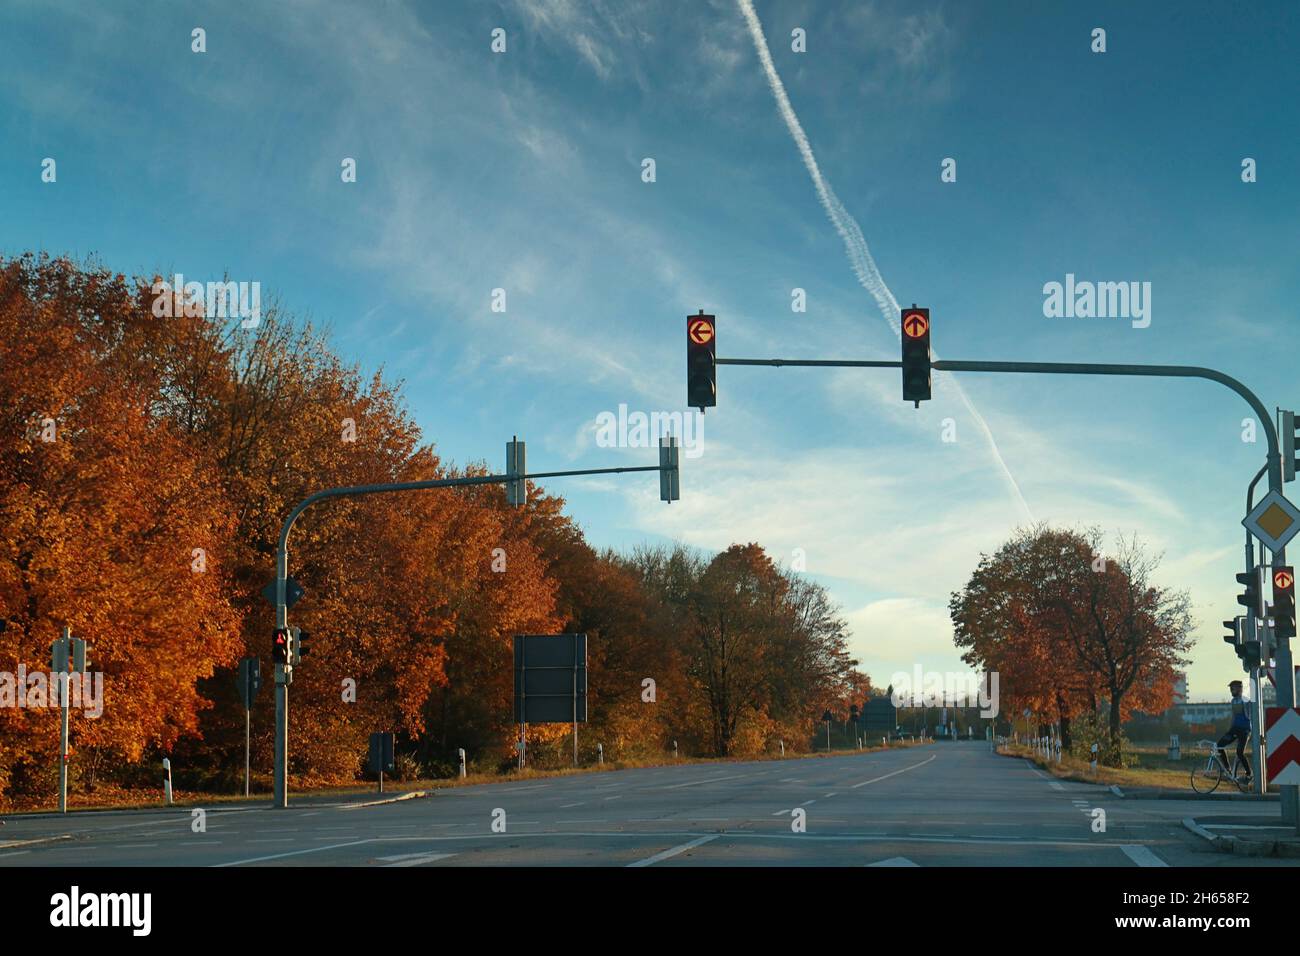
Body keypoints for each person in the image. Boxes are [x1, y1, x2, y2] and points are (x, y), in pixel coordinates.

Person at [1217, 680, 1252, 780]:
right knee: (1219, 746)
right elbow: (1233, 716)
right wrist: (1230, 729)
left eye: (1233, 688)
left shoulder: (1245, 700)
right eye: (1230, 689)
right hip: (1235, 729)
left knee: (1239, 752)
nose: (1231, 691)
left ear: (1239, 688)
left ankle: (1248, 774)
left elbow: (1250, 712)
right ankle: (1227, 768)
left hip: (1244, 729)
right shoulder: (1233, 701)